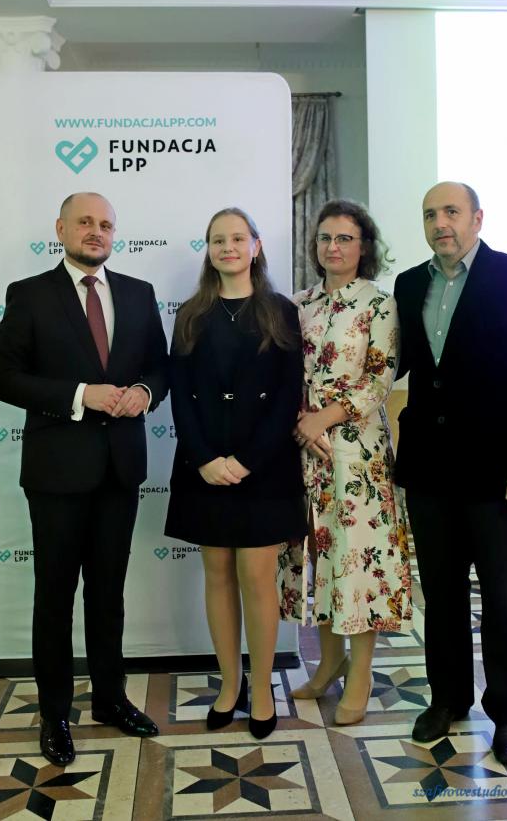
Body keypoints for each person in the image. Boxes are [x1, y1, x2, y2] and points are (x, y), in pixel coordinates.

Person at [0, 192, 169, 766]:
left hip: (120, 469)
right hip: (57, 472)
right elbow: (3, 378)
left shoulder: (138, 293)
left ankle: (111, 700)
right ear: (61, 228)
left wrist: (145, 392)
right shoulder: (29, 294)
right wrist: (78, 395)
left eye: (106, 224)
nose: (96, 231)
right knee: (55, 596)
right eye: (85, 222)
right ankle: (55, 714)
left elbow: (160, 368)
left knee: (108, 593)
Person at [393, 181, 507, 764]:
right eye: (430, 214)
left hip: (499, 470)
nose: (440, 223)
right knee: (440, 595)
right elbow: (405, 365)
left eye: (451, 211)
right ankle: (447, 699)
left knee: (504, 596)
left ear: (477, 218)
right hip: (429, 469)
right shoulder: (409, 283)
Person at [165, 206, 306, 740]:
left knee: (257, 578)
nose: (228, 247)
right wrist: (205, 458)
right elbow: (180, 395)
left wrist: (248, 460)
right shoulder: (190, 315)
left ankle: (262, 688)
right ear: (208, 250)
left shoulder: (280, 311)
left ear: (256, 246)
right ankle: (230, 684)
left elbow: (288, 395)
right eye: (217, 240)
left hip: (264, 468)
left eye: (237, 238)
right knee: (218, 574)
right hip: (203, 467)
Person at [279, 199, 412, 725]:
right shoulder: (297, 304)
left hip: (358, 455)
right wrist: (300, 421)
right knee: (318, 558)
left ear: (364, 247)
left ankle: (361, 674)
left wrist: (323, 419)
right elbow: (281, 376)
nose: (333, 247)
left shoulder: (379, 303)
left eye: (344, 239)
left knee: (358, 560)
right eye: (325, 238)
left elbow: (380, 379)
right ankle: (328, 662)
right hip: (304, 450)